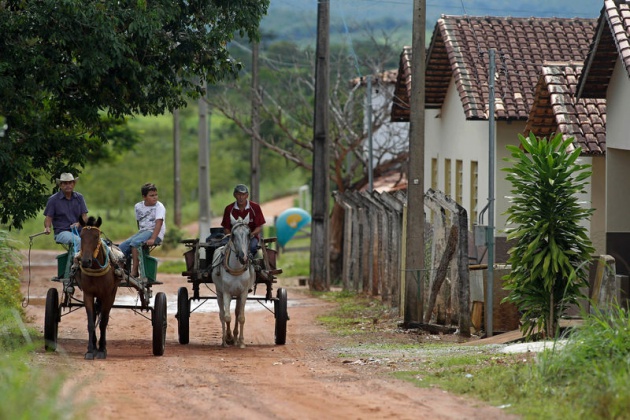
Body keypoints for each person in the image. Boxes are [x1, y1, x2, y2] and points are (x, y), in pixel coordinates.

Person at [119, 183, 166, 277]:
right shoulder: (138, 206)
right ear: (144, 197)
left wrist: (153, 238)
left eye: (156, 195)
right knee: (121, 247)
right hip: (143, 232)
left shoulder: (159, 206)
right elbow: (139, 222)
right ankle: (122, 270)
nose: (155, 197)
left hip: (154, 232)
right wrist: (140, 234)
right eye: (151, 195)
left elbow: (159, 223)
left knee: (135, 243)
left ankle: (135, 271)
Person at [43, 172, 88, 252]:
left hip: (79, 231)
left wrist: (78, 224)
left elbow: (84, 216)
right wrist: (47, 227)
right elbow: (48, 218)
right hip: (62, 232)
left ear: (73, 184)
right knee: (78, 241)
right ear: (60, 185)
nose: (68, 185)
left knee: (95, 240)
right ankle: (77, 262)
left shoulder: (79, 197)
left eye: (70, 183)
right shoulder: (53, 200)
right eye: (65, 183)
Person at [221, 184, 266, 257]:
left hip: (251, 238)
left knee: (252, 247)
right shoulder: (229, 209)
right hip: (234, 237)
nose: (241, 197)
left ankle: (254, 264)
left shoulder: (255, 207)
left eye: (243, 195)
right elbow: (226, 229)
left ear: (247, 195)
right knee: (222, 248)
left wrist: (250, 234)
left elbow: (258, 228)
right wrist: (234, 237)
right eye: (238, 194)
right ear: (234, 195)